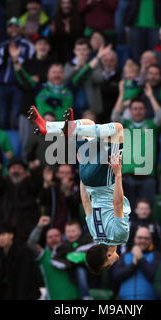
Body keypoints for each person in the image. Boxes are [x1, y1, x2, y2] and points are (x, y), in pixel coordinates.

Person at [27, 106, 130, 274]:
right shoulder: (95, 234)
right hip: (87, 179)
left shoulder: (119, 237)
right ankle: (48, 127)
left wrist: (117, 174)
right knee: (88, 124)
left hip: (104, 179)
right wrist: (82, 166)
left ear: (108, 255)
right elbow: (86, 201)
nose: (112, 263)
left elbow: (117, 203)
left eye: (108, 264)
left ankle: (68, 129)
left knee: (117, 129)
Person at [13, 42, 111, 121]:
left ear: (63, 75)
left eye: (59, 72)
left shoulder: (69, 88)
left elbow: (85, 73)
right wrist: (15, 60)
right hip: (43, 134)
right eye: (54, 72)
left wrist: (98, 57)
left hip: (64, 135)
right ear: (48, 75)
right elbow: (23, 78)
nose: (57, 75)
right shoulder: (39, 88)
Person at [112, 85, 161, 208]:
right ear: (130, 111)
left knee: (145, 211)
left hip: (147, 178)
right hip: (126, 177)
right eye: (135, 108)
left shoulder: (151, 125)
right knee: (125, 212)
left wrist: (151, 96)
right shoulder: (124, 124)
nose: (138, 111)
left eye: (141, 108)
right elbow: (115, 116)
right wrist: (121, 95)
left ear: (145, 111)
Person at [0, 17, 34, 129]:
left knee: (15, 116)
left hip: (18, 85)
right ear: (7, 29)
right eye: (10, 27)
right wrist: (6, 54)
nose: (13, 29)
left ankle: (15, 144)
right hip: (2, 85)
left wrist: (15, 57)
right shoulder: (1, 46)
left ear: (21, 28)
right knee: (2, 116)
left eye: (16, 26)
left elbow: (28, 64)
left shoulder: (27, 45)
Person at [0, 157, 43, 242]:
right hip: (5, 228)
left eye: (19, 168)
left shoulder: (29, 184)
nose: (16, 171)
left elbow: (39, 184)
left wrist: (34, 169)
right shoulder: (4, 184)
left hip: (25, 229)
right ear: (9, 171)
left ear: (24, 171)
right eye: (13, 168)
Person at [27, 216, 81, 300]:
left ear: (62, 238)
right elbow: (31, 244)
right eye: (50, 237)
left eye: (56, 236)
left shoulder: (72, 250)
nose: (53, 239)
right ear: (46, 241)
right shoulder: (44, 255)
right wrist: (40, 226)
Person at [111, 226, 161, 300]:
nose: (142, 241)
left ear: (151, 240)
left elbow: (156, 277)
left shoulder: (156, 256)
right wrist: (133, 264)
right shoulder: (125, 256)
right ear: (135, 239)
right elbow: (115, 276)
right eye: (140, 238)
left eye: (146, 238)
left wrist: (141, 259)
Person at [64, 38, 109, 118]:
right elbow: (64, 80)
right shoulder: (69, 64)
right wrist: (77, 67)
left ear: (88, 51)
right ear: (74, 51)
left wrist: (86, 67)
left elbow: (99, 79)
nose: (81, 52)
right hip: (73, 107)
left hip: (91, 108)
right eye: (79, 49)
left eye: (84, 49)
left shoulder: (95, 64)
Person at [0, 224, 41, 300]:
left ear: (11, 235)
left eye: (3, 234)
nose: (0, 238)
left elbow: (24, 278)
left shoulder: (22, 251)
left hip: (26, 294)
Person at [51, 221, 95, 300]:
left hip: (92, 269)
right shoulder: (63, 246)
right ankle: (86, 296)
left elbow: (97, 244)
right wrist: (69, 263)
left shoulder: (87, 238)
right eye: (67, 231)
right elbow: (54, 259)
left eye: (73, 231)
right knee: (80, 270)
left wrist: (80, 251)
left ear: (80, 231)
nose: (70, 234)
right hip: (74, 272)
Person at [39, 165, 80, 234]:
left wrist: (67, 191)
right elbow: (42, 202)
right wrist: (46, 184)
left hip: (69, 230)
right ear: (57, 175)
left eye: (67, 173)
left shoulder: (76, 189)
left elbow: (74, 210)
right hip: (53, 229)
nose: (64, 175)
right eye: (62, 173)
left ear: (72, 175)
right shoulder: (53, 188)